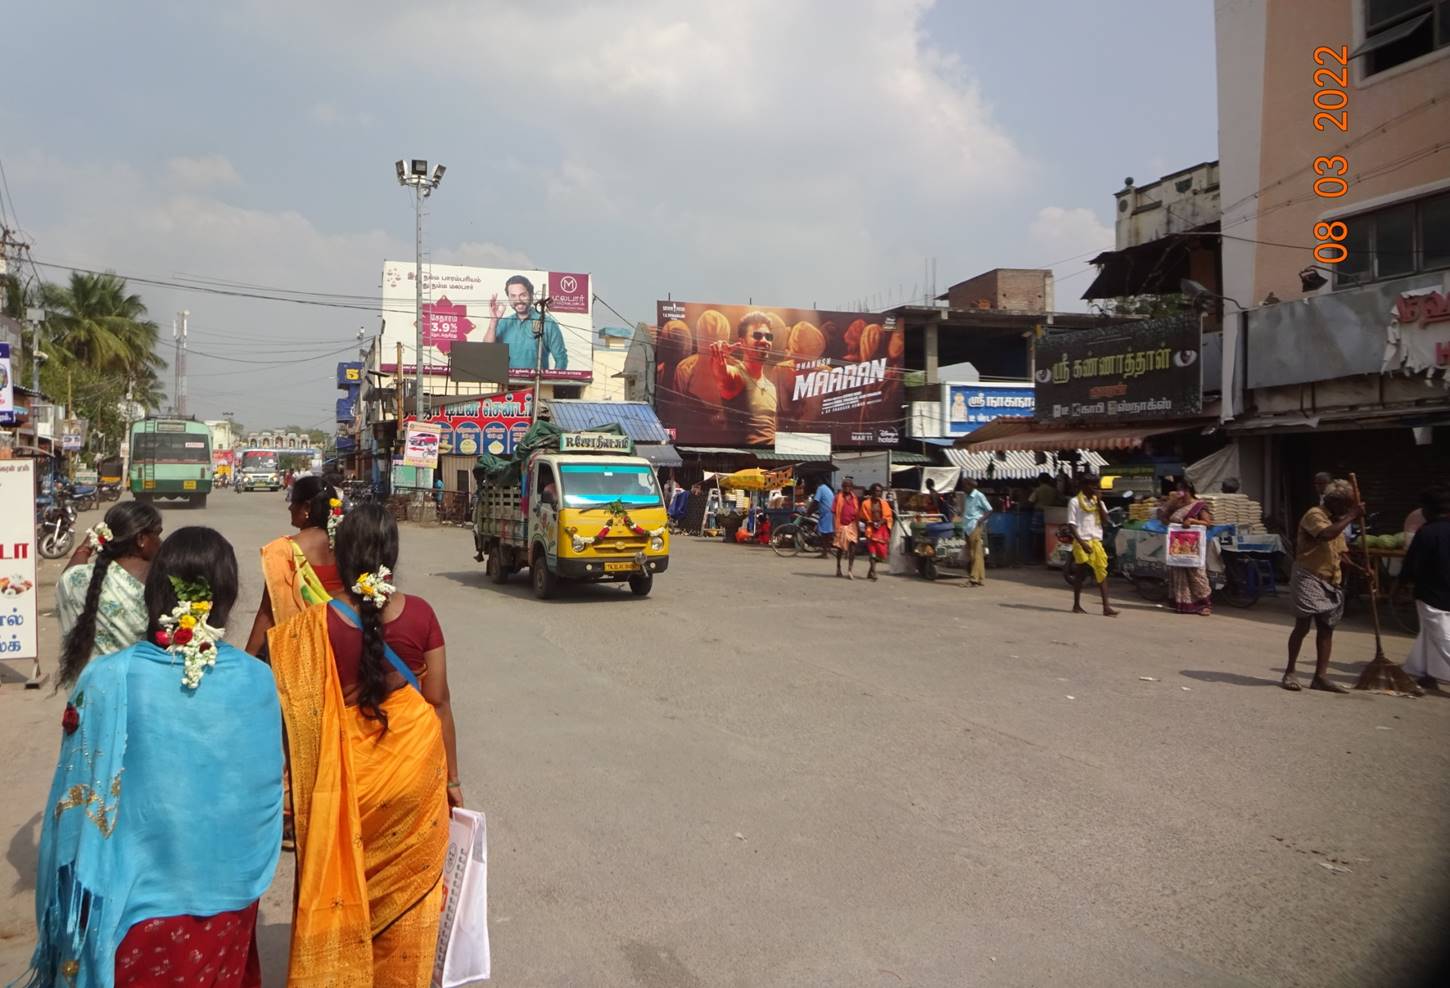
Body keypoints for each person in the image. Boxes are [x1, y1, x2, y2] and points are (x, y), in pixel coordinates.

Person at [23, 527, 283, 987]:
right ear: (227, 594)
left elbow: (75, 803)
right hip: (230, 900)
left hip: (130, 907)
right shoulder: (257, 680)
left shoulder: (107, 678)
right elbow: (263, 798)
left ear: (155, 589)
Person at [268, 505, 461, 984]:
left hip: (346, 789)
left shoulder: (315, 626)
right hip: (414, 782)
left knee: (344, 894)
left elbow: (293, 715)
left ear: (342, 554)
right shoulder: (420, 614)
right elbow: (438, 702)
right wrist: (452, 781)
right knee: (410, 905)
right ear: (392, 554)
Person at [55, 501, 164, 687]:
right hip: (139, 694)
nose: (161, 542)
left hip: (89, 697)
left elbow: (68, 574)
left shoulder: (78, 579)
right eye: (158, 534)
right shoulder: (160, 580)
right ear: (141, 539)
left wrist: (87, 545)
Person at [245, 476, 347, 656]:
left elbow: (267, 613)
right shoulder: (347, 545)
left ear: (307, 507)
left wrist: (247, 660)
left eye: (293, 502)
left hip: (302, 651)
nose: (290, 508)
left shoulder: (284, 551)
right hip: (342, 644)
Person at [1282, 478, 1363, 693]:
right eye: (1345, 505)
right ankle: (1290, 670)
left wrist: (1361, 570)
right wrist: (1352, 515)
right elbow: (1326, 534)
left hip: (1331, 579)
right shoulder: (1315, 515)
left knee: (1327, 629)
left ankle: (1321, 676)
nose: (1346, 509)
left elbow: (1341, 553)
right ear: (1334, 502)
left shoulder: (1338, 519)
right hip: (1309, 576)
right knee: (1303, 625)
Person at [1403, 485, 1450, 691]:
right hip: (1442, 591)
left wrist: (1400, 586)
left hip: (1432, 594)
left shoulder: (1427, 532)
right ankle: (1428, 673)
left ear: (1428, 510)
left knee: (1443, 638)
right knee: (1429, 634)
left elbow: (1412, 565)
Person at [710, 311, 779, 446]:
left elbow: (771, 431)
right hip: (748, 460)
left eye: (768, 336)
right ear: (742, 343)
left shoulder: (771, 387)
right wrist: (719, 357)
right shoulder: (737, 376)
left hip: (773, 460)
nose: (764, 341)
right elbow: (722, 375)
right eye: (757, 335)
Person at [484, 274, 569, 371]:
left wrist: (551, 382)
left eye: (523, 295)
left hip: (536, 384)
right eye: (513, 296)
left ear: (531, 295)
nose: (518, 300)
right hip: (508, 384)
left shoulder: (547, 323)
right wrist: (494, 321)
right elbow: (487, 350)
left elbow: (561, 359)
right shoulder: (503, 323)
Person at [1067, 478, 1119, 617]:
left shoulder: (1098, 502)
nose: (1095, 489)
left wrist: (1099, 504)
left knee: (1101, 571)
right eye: (1092, 486)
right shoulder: (1075, 502)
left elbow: (1106, 521)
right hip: (1081, 540)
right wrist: (1082, 543)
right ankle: (1076, 604)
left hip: (1096, 540)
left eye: (1097, 486)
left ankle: (1106, 607)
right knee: (1081, 572)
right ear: (1084, 486)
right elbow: (1071, 525)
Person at [1166, 482, 1215, 616]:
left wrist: (1193, 521)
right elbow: (1165, 518)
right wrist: (1170, 504)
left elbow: (1208, 523)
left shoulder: (1199, 505)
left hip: (1192, 545)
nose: (1178, 493)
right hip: (1177, 545)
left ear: (1187, 490)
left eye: (1180, 490)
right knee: (1179, 573)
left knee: (1196, 574)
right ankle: (1184, 604)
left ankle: (1205, 605)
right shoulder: (1177, 505)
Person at [959, 478, 993, 588]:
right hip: (967, 526)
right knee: (975, 553)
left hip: (975, 525)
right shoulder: (967, 497)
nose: (963, 488)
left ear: (970, 486)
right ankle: (979, 578)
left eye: (964, 485)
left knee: (975, 553)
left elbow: (989, 510)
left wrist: (980, 520)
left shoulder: (979, 495)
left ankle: (973, 579)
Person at [860, 483, 894, 581]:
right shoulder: (865, 503)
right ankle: (874, 572)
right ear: (871, 491)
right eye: (875, 491)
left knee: (881, 553)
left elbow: (888, 516)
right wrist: (869, 522)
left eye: (879, 491)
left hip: (881, 529)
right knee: (872, 552)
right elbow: (862, 517)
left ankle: (870, 570)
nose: (877, 493)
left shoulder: (884, 503)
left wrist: (880, 522)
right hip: (871, 529)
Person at [832, 477, 860, 579]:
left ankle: (850, 570)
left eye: (849, 486)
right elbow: (834, 513)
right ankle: (838, 567)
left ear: (852, 487)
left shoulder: (855, 498)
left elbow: (857, 514)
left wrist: (858, 528)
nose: (847, 488)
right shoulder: (838, 497)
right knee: (840, 548)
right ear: (842, 487)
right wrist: (834, 527)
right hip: (841, 526)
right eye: (845, 486)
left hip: (852, 526)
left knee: (852, 547)